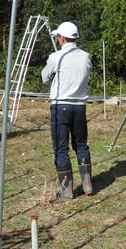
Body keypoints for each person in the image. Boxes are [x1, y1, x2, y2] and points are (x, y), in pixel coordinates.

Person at [41, 22, 92, 199]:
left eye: (58, 37)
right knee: (81, 144)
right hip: (80, 106)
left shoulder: (57, 56)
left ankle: (67, 189)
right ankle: (87, 184)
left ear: (62, 38)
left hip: (60, 105)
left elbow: (44, 78)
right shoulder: (86, 56)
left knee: (61, 147)